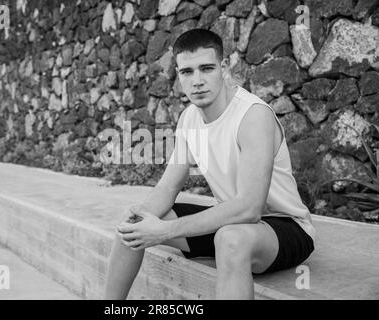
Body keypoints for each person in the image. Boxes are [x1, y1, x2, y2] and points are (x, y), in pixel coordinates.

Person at [104, 29, 316, 300]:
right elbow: (168, 186)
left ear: (224, 67)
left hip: (284, 227)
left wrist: (165, 230)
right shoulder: (190, 119)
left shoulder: (252, 117)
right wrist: (143, 221)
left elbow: (250, 208)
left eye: (206, 68)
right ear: (178, 76)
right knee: (130, 224)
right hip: (230, 223)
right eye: (187, 72)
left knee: (230, 239)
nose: (197, 81)